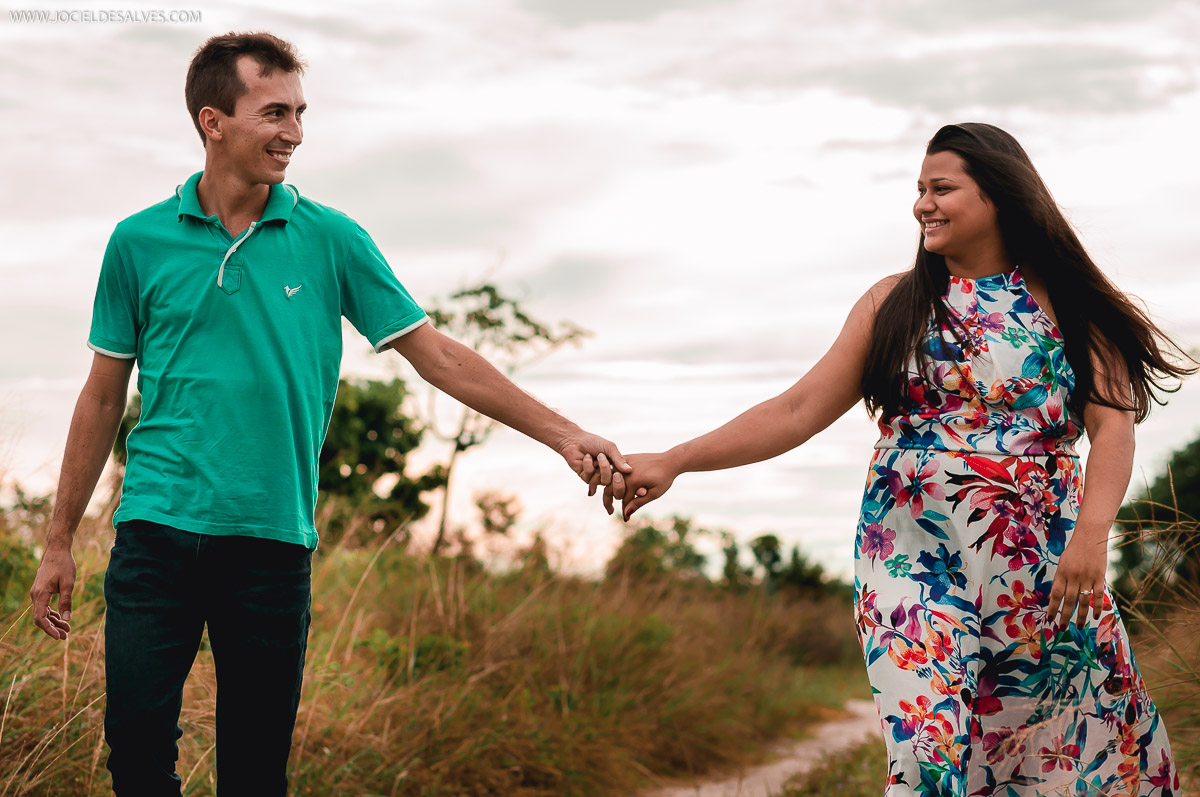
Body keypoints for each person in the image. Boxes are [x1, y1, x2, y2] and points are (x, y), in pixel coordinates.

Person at [27, 31, 628, 796]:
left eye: (301, 113)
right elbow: (103, 395)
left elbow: (437, 355)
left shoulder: (332, 239)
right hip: (156, 531)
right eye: (275, 113)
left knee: (254, 773)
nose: (295, 134)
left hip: (272, 541)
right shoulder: (137, 242)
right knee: (138, 759)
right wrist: (57, 541)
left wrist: (566, 434)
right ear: (214, 122)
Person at [606, 123, 1190, 795]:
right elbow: (798, 410)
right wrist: (676, 459)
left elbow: (1112, 428)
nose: (923, 204)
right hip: (911, 570)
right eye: (919, 189)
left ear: (1000, 195)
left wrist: (1091, 536)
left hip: (1044, 572)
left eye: (942, 188)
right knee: (927, 752)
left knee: (1057, 752)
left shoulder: (1068, 304)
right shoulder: (894, 304)